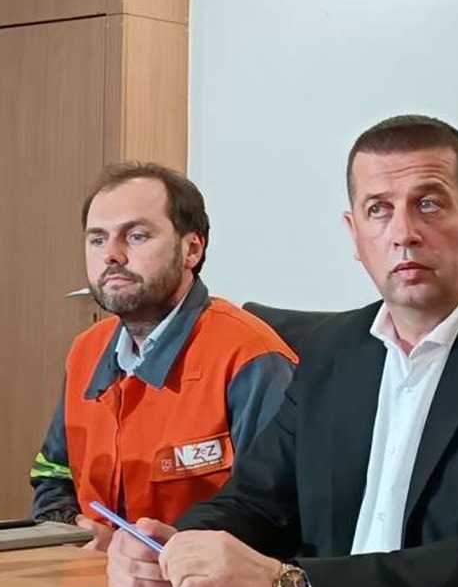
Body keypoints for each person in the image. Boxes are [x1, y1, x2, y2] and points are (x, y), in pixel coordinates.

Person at [105, 115, 458, 587]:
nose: (404, 234)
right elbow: (256, 501)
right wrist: (176, 546)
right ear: (354, 233)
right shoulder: (331, 349)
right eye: (379, 210)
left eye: (428, 204)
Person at [30, 163, 297, 550]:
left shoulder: (250, 357)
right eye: (98, 239)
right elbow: (52, 472)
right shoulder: (85, 352)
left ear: (192, 249)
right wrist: (72, 526)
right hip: (91, 574)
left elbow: (275, 510)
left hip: (196, 581)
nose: (112, 255)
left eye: (136, 236)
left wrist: (165, 552)